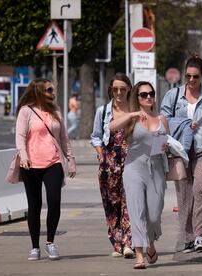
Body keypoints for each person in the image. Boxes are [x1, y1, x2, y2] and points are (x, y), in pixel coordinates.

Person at [160, 55, 202, 253]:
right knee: (185, 196)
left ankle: (199, 234)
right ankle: (188, 238)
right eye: (187, 76)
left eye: (195, 77)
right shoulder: (173, 95)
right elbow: (163, 120)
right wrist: (184, 124)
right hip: (180, 150)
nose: (190, 80)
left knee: (201, 189)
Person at [7, 78, 76, 261]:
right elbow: (20, 137)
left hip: (53, 162)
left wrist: (71, 160)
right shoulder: (26, 111)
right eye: (49, 90)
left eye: (52, 89)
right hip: (30, 164)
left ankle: (50, 243)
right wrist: (24, 156)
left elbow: (64, 138)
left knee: (54, 201)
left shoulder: (56, 111)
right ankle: (35, 247)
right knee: (34, 205)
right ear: (38, 91)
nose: (52, 93)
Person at [110, 81, 169, 269]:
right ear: (137, 97)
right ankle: (139, 255)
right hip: (134, 168)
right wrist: (133, 114)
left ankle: (151, 242)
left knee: (153, 215)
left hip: (157, 169)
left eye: (151, 94)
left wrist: (166, 146)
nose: (149, 97)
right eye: (144, 95)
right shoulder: (133, 118)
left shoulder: (162, 118)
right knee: (137, 212)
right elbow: (111, 126)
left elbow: (168, 142)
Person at [90, 73, 134, 259]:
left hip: (131, 162)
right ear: (110, 90)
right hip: (109, 165)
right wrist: (101, 155)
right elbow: (96, 136)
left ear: (129, 90)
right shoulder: (103, 111)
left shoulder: (134, 110)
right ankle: (117, 242)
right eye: (115, 89)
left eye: (123, 89)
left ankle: (129, 244)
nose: (119, 92)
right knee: (112, 204)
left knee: (129, 202)